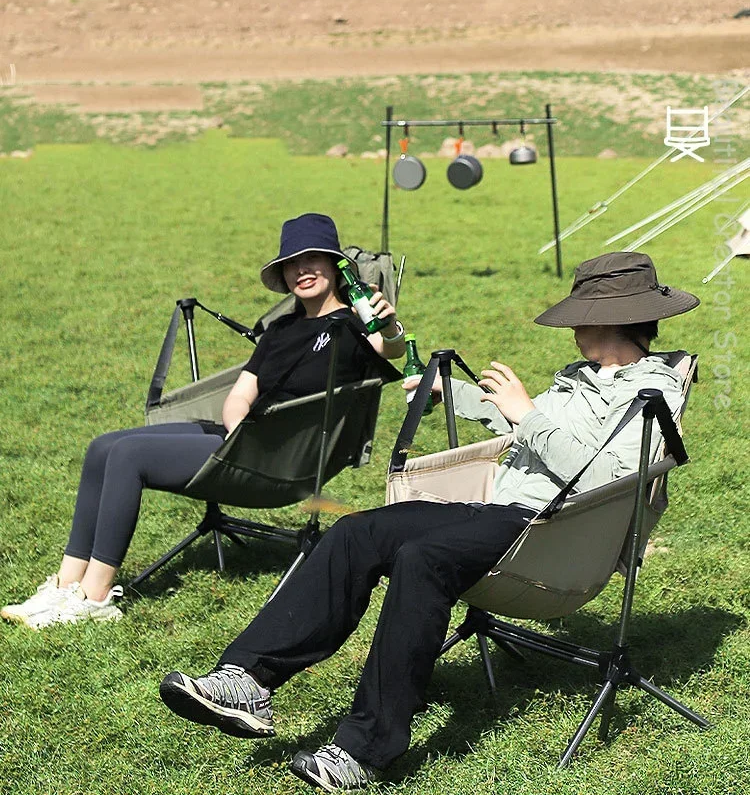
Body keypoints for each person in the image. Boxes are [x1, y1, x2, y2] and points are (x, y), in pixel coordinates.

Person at [158, 251, 699, 792]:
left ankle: (363, 749)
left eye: (581, 314)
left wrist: (526, 412)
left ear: (607, 317)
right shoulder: (579, 375)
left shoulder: (653, 390)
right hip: (496, 512)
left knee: (424, 558)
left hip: (550, 529)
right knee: (356, 532)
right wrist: (455, 393)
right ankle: (249, 678)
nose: (574, 326)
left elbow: (612, 475)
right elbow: (527, 435)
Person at [1, 214, 405, 630]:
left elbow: (388, 348)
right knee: (102, 446)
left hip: (283, 457)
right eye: (291, 263)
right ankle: (66, 585)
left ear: (335, 265)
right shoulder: (280, 329)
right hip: (244, 441)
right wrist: (239, 429)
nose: (302, 271)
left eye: (313, 259)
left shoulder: (357, 326)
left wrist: (391, 326)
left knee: (128, 455)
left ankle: (96, 597)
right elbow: (241, 394)